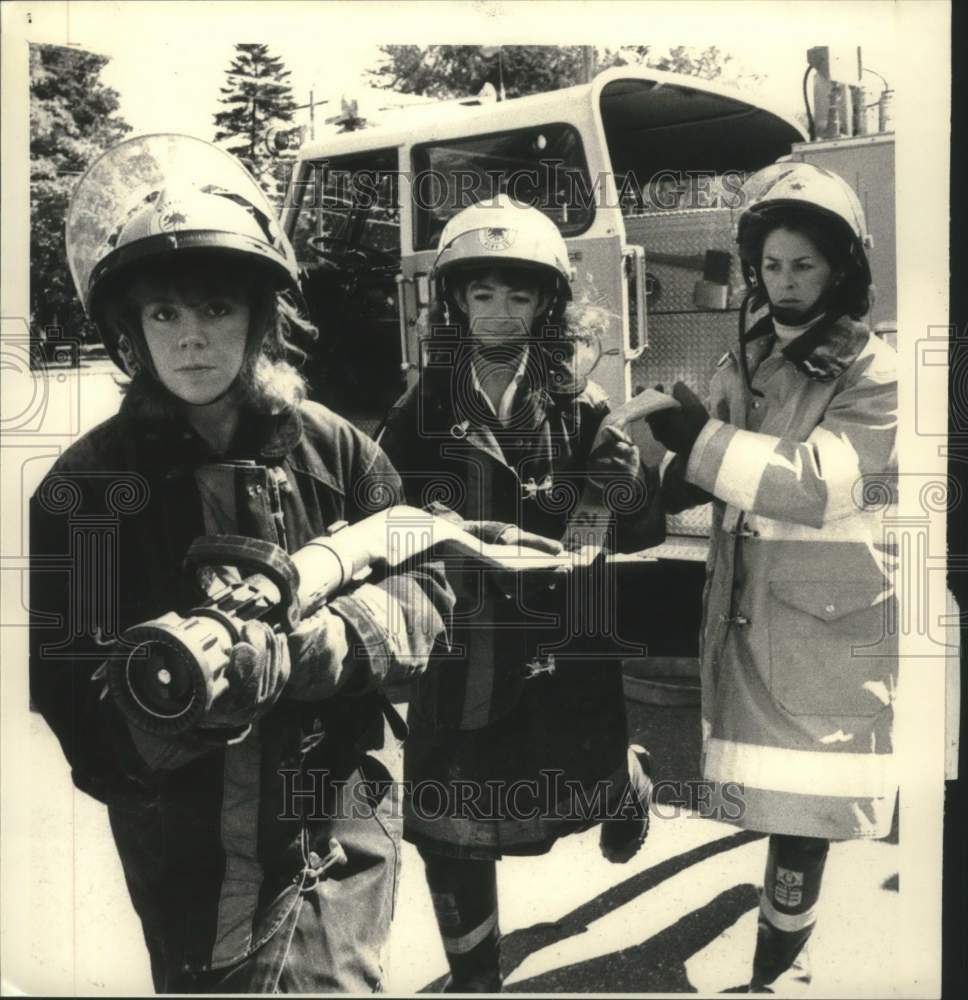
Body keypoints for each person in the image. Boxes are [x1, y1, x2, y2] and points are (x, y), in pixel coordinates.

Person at [29, 134, 455, 993]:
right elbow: (65, 684)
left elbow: (428, 582)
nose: (191, 340)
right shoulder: (84, 489)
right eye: (164, 315)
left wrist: (329, 644)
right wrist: (174, 704)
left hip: (334, 817)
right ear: (129, 331)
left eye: (217, 309)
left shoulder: (338, 451)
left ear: (261, 319)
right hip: (182, 843)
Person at [377, 195, 665, 992]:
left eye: (519, 296)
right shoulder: (420, 407)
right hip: (458, 640)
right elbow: (378, 509)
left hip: (561, 642)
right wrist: (433, 527)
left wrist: (612, 493)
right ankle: (476, 976)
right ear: (456, 303)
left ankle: (626, 785)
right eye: (482, 294)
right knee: (448, 820)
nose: (499, 314)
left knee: (577, 773)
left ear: (546, 306)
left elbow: (632, 517)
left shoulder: (581, 402)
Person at [648, 162, 898, 992]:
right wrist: (665, 472)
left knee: (805, 808)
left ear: (841, 270)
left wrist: (700, 443)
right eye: (771, 265)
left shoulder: (876, 372)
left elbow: (820, 483)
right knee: (766, 791)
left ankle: (775, 971)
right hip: (748, 610)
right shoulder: (749, 357)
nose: (784, 282)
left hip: (826, 629)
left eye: (804, 266)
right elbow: (720, 464)